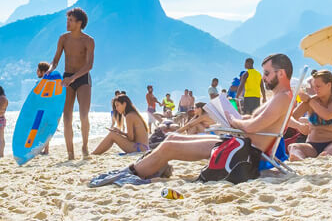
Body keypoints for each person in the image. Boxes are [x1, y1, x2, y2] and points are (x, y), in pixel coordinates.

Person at [92, 54, 294, 185]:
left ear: (281, 73)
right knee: (170, 140)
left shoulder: (282, 98)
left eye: (267, 73)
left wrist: (234, 120)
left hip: (245, 150)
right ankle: (135, 171)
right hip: (240, 142)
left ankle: (130, 175)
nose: (264, 77)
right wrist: (239, 118)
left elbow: (254, 126)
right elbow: (257, 122)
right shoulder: (279, 97)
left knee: (170, 147)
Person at [48, 7, 95, 159]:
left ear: (79, 23)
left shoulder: (88, 40)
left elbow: (89, 66)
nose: (67, 23)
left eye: (71, 20)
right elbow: (55, 60)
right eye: (67, 20)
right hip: (67, 77)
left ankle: (85, 146)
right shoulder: (63, 38)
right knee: (67, 117)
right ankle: (70, 153)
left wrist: (73, 78)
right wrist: (50, 69)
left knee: (83, 115)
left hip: (82, 78)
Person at [289, 69, 332, 159]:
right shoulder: (311, 100)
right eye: (313, 86)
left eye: (318, 86)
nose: (315, 89)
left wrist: (309, 100)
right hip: (312, 145)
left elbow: (327, 115)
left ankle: (323, 156)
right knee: (293, 147)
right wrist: (299, 126)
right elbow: (288, 118)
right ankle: (300, 161)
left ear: (329, 85)